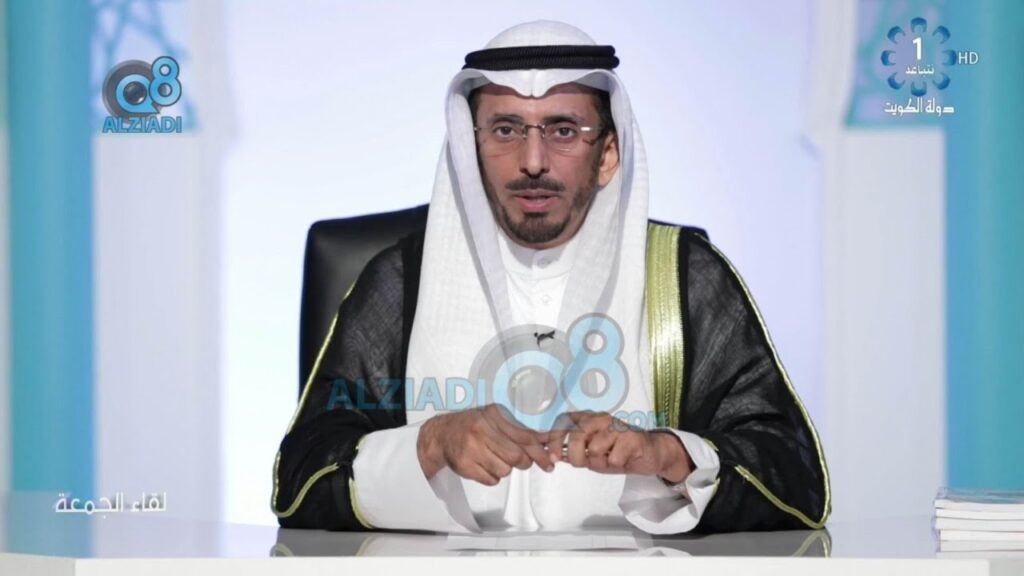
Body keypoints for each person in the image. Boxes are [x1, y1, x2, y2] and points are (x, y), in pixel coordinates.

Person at [271, 20, 829, 534]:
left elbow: (795, 478)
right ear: (470, 148)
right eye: (506, 130)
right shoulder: (400, 281)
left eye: (563, 130)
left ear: (607, 153)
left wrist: (667, 455)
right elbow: (299, 482)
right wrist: (430, 444)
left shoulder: (682, 276)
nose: (533, 161)